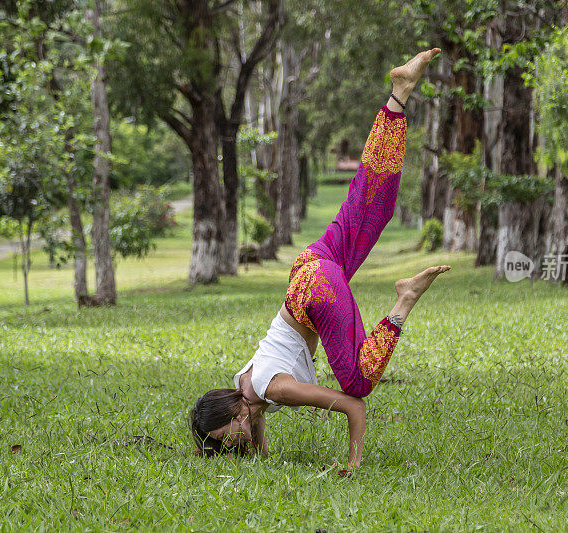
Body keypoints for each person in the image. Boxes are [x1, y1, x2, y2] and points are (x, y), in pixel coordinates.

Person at [189, 48, 449, 469]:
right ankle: (398, 95)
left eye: (228, 436)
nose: (234, 444)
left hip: (317, 294)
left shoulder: (270, 390)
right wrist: (224, 447)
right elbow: (254, 435)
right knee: (371, 208)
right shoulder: (244, 383)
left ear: (234, 412)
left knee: (357, 381)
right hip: (308, 272)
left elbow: (353, 407)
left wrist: (352, 463)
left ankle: (404, 298)